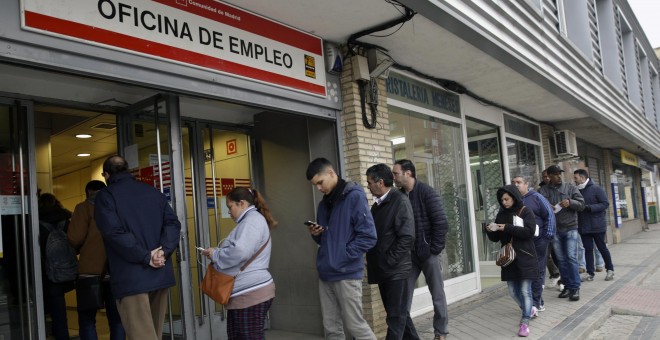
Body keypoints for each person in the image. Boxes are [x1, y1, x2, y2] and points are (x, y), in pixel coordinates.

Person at [94, 155, 181, 340]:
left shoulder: (106, 196)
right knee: (154, 334)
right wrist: (163, 252)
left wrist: (146, 257)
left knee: (140, 335)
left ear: (106, 174)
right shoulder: (153, 192)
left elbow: (113, 233)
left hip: (131, 278)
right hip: (160, 274)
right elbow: (173, 224)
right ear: (128, 170)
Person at [305, 157, 377, 340]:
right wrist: (316, 233)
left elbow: (368, 236)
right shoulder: (323, 204)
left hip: (347, 273)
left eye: (320, 183)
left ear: (331, 173)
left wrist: (343, 255)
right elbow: (327, 238)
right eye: (315, 185)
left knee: (355, 327)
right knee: (331, 329)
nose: (319, 188)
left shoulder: (354, 196)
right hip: (326, 273)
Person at [200, 187, 276, 339]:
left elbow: (240, 251)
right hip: (247, 292)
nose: (229, 211)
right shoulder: (251, 220)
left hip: (249, 293)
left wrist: (216, 254)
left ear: (241, 203)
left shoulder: (251, 221)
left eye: (230, 206)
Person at [392, 159, 449, 340]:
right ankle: (403, 333)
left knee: (437, 294)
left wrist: (433, 249)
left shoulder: (427, 193)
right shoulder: (398, 196)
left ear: (408, 173)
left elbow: (441, 223)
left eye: (395, 173)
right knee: (403, 295)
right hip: (408, 256)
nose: (393, 177)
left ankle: (440, 332)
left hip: (428, 253)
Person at [67, 180, 125, 340]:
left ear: (88, 193)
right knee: (117, 321)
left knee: (87, 321)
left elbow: (74, 238)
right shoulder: (118, 208)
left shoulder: (83, 208)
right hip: (116, 270)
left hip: (89, 271)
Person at [365, 164, 417, 340]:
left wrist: (388, 260)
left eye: (370, 183)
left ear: (380, 182)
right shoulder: (377, 205)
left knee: (395, 318)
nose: (368, 186)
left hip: (395, 270)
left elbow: (407, 237)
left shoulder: (399, 201)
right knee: (400, 315)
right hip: (383, 269)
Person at [485, 185, 538, 337]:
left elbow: (529, 232)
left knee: (524, 291)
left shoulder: (525, 211)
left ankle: (525, 322)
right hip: (509, 259)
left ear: (514, 197)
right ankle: (529, 309)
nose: (504, 202)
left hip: (525, 256)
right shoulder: (501, 214)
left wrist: (507, 227)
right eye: (502, 200)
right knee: (513, 292)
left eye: (507, 199)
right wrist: (490, 231)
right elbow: (497, 238)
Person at [539, 165, 585, 301]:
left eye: (560, 174)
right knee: (561, 260)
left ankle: (575, 288)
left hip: (571, 227)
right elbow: (538, 209)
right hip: (555, 230)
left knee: (571, 257)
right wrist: (548, 207)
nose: (559, 177)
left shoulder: (570, 187)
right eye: (555, 175)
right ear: (549, 177)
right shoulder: (543, 191)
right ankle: (567, 286)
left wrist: (570, 202)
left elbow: (582, 204)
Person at [512, 175, 555, 314]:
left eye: (519, 182)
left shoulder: (536, 197)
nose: (516, 185)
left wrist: (546, 236)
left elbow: (549, 215)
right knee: (526, 272)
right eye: (514, 183)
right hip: (522, 242)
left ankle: (536, 303)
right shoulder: (513, 201)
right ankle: (535, 302)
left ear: (526, 184)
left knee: (537, 271)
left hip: (539, 240)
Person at [38, 193, 74, 340]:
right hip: (67, 269)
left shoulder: (37, 223)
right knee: (59, 304)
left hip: (47, 271)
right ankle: (61, 333)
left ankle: (57, 332)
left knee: (54, 304)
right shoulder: (65, 221)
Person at [573, 169, 615, 281]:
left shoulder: (596, 189)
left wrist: (590, 208)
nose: (574, 180)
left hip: (597, 225)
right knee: (588, 249)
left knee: (602, 248)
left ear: (582, 177)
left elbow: (605, 203)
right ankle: (590, 273)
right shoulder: (576, 190)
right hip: (583, 226)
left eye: (576, 178)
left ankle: (610, 270)